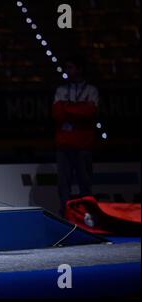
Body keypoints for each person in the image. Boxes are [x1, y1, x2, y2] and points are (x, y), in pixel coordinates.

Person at [52, 56, 99, 216]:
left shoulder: (91, 90)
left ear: (79, 69)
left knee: (85, 184)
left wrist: (67, 108)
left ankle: (88, 216)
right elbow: (57, 114)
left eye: (71, 67)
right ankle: (65, 216)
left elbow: (90, 113)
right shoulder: (61, 90)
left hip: (83, 146)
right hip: (64, 146)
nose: (67, 71)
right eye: (66, 67)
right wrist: (79, 109)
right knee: (63, 185)